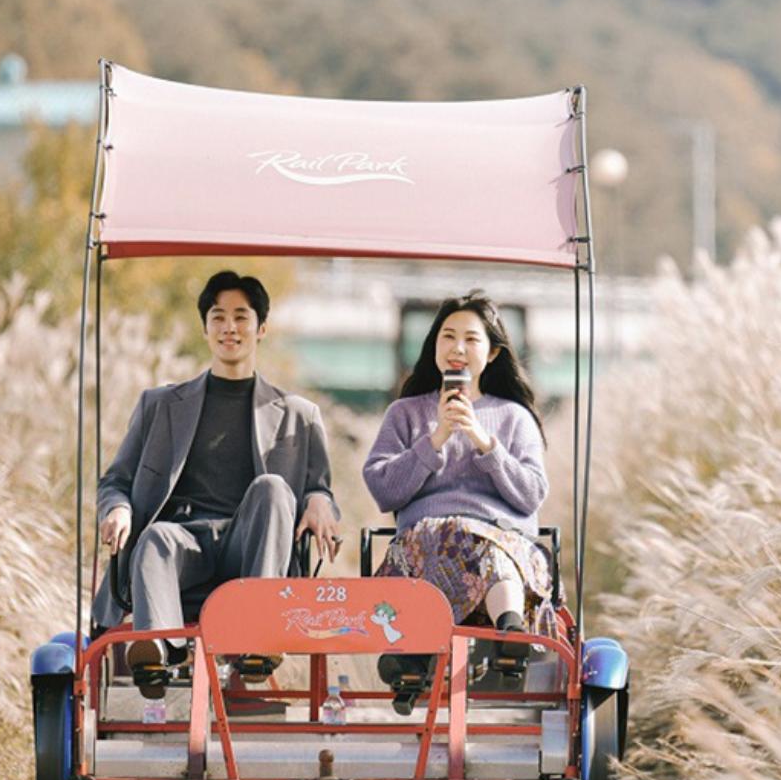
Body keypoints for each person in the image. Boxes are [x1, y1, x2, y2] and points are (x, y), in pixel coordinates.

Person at [93, 270, 341, 695]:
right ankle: (159, 653)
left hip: (249, 545)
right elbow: (116, 480)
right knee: (154, 538)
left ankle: (257, 637)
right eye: (218, 316)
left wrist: (319, 499)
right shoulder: (160, 405)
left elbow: (320, 488)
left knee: (274, 488)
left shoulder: (299, 415)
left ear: (261, 328)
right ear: (205, 328)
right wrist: (116, 507)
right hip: (184, 546)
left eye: (241, 317)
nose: (230, 327)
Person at [362, 292, 552, 707]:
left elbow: (532, 494)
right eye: (447, 337)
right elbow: (383, 489)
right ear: (434, 347)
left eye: (471, 339)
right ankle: (427, 648)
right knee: (446, 532)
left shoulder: (514, 416)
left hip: (502, 541)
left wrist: (486, 444)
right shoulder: (406, 413)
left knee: (484, 542)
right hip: (425, 540)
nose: (457, 348)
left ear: (493, 352)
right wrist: (436, 439)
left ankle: (509, 633)